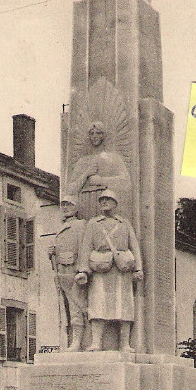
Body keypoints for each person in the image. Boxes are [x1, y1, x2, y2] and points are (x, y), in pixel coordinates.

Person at [76, 190, 143, 352]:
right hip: (100, 269)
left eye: (108, 199)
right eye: (102, 200)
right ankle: (96, 342)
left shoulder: (124, 223)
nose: (104, 202)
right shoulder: (93, 223)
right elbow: (86, 247)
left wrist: (138, 268)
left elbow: (134, 246)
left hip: (122, 270)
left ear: (115, 203)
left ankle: (125, 344)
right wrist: (83, 271)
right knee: (98, 306)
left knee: (124, 307)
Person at [66, 122, 131, 220]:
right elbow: (70, 190)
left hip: (106, 205)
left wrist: (101, 180)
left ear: (104, 135)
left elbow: (126, 182)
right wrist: (86, 174)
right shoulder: (82, 161)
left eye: (98, 133)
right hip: (85, 205)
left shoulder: (114, 158)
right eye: (92, 133)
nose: (95, 136)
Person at [48, 195, 87, 351]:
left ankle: (77, 341)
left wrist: (82, 270)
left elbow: (83, 248)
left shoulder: (80, 225)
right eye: (63, 205)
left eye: (69, 205)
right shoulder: (60, 227)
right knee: (65, 309)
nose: (65, 207)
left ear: (76, 208)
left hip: (73, 270)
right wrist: (51, 252)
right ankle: (69, 340)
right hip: (61, 272)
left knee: (76, 307)